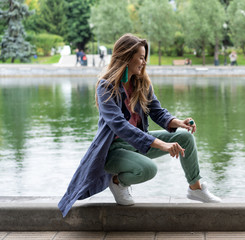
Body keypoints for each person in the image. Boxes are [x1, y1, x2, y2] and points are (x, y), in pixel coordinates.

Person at [58, 33, 221, 217]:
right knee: (148, 169)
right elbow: (120, 126)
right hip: (112, 150)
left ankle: (196, 189)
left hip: (137, 143)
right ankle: (118, 182)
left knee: (185, 138)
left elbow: (157, 111)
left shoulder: (142, 83)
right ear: (127, 57)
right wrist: (162, 144)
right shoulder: (106, 87)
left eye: (145, 58)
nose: (144, 62)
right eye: (141, 58)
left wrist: (178, 123)